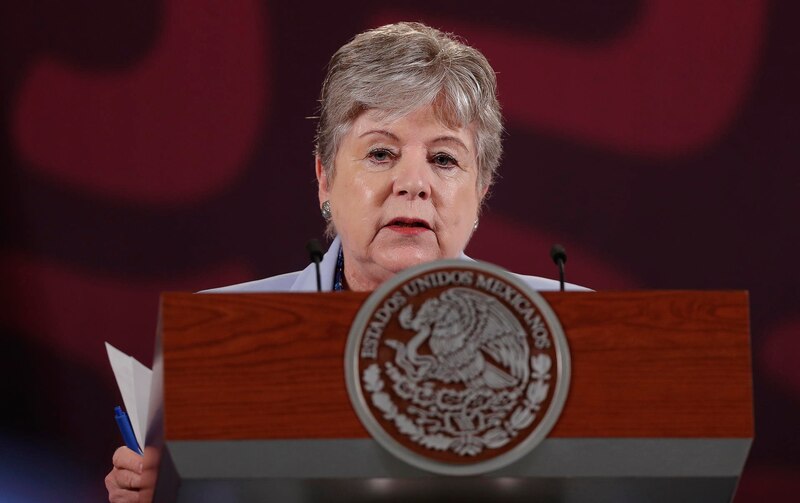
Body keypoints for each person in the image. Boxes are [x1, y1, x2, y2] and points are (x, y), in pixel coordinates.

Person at [105, 21, 587, 502]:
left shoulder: (572, 328)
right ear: (325, 178)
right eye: (381, 153)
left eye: (444, 160)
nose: (412, 182)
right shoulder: (222, 334)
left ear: (480, 191)